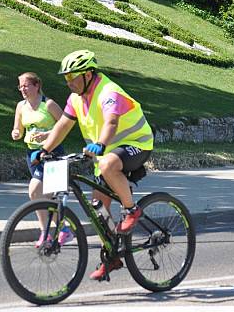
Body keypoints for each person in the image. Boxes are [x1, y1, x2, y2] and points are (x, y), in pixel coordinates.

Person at [39, 50, 154, 280]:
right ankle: (112, 257)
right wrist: (44, 150)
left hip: (136, 143)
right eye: (66, 78)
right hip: (105, 155)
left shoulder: (108, 91)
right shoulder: (75, 99)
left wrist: (100, 144)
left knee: (108, 165)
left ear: (88, 75)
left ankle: (132, 209)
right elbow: (62, 125)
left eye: (73, 77)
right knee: (98, 211)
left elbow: (111, 122)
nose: (69, 83)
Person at [11, 71, 73, 247]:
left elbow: (65, 126)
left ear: (36, 86)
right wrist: (16, 133)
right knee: (48, 197)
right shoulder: (21, 106)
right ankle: (63, 230)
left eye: (26, 85)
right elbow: (18, 129)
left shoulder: (49, 104)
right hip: (32, 154)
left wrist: (46, 134)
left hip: (52, 154)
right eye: (20, 86)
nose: (22, 89)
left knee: (35, 191)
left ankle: (45, 233)